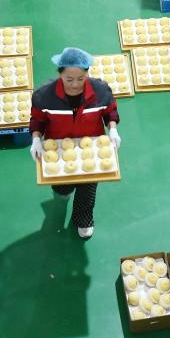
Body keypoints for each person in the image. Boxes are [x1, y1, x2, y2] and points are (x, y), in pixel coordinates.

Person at [29, 47, 121, 239]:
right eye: (69, 79)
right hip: (58, 148)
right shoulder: (44, 96)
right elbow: (37, 119)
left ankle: (83, 218)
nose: (75, 85)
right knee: (62, 186)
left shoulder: (101, 91)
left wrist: (113, 129)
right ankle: (63, 190)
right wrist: (36, 138)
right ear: (59, 74)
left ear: (88, 73)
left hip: (91, 145)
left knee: (87, 190)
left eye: (81, 78)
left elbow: (110, 110)